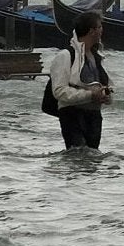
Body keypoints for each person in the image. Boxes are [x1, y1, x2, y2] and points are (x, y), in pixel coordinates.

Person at [48, 12, 113, 149]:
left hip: (94, 115)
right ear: (92, 31)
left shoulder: (97, 57)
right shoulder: (65, 56)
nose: (102, 30)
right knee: (77, 155)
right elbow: (59, 91)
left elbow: (106, 85)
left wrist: (106, 97)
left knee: (92, 159)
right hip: (72, 114)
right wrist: (90, 95)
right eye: (100, 27)